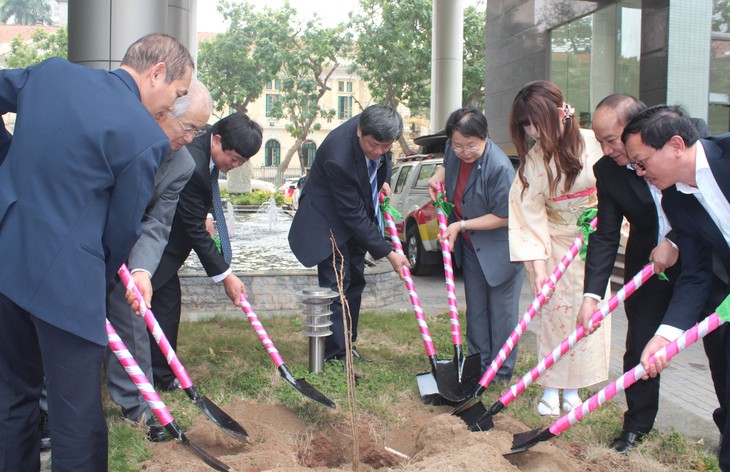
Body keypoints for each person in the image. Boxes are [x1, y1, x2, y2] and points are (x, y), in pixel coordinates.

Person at [0, 33, 194, 471]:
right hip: (68, 286)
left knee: (13, 396)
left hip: (7, 260)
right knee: (77, 418)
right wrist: (94, 280)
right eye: (177, 94)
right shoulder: (144, 136)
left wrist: (7, 159)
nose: (172, 106)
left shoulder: (51, 74)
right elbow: (119, 235)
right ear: (157, 73)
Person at [104, 79, 213, 442]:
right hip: (78, 239)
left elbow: (157, 222)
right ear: (164, 113)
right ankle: (44, 411)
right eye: (189, 128)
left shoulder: (181, 164)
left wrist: (141, 270)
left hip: (124, 248)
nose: (192, 139)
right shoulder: (120, 135)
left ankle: (140, 405)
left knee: (133, 318)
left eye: (199, 131)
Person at [621, 105, 730, 468]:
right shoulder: (676, 200)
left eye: (641, 162)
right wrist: (665, 337)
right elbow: (697, 273)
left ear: (676, 145)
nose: (639, 172)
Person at [576, 94, 682, 453]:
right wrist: (592, 295)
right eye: (600, 141)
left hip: (700, 263)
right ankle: (636, 426)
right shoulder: (607, 171)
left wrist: (675, 239)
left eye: (611, 139)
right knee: (639, 347)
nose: (606, 150)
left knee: (721, 350)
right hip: (645, 269)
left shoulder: (677, 145)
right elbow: (606, 235)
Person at [508, 80, 611, 416]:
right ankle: (551, 387)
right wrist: (538, 270)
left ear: (559, 112)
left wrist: (604, 217)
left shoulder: (595, 144)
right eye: (526, 124)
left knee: (587, 314)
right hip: (553, 243)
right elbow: (528, 215)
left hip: (593, 242)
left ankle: (574, 388)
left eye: (537, 121)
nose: (532, 131)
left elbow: (614, 189)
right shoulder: (533, 162)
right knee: (555, 316)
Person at [288, 104, 410, 371]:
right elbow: (352, 214)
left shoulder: (378, 129)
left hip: (355, 212)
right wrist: (389, 253)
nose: (379, 152)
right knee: (336, 286)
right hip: (327, 218)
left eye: (385, 146)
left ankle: (347, 344)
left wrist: (384, 179)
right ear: (359, 131)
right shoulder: (337, 156)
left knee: (354, 282)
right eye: (373, 145)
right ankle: (334, 354)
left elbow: (382, 162)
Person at [148, 113, 263, 390]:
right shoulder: (194, 164)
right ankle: (151, 376)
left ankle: (161, 375)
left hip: (166, 244)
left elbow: (200, 207)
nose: (233, 166)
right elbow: (194, 231)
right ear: (218, 140)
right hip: (153, 243)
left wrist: (208, 213)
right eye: (233, 158)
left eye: (242, 163)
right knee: (155, 306)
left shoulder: (208, 143)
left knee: (167, 303)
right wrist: (226, 275)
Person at [426, 108, 524, 378]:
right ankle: (477, 367)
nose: (465, 152)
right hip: (471, 248)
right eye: (458, 145)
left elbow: (504, 216)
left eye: (472, 146)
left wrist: (461, 225)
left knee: (501, 314)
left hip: (500, 249)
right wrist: (438, 175)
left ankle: (500, 372)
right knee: (477, 310)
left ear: (485, 137)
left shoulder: (499, 167)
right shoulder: (452, 148)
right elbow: (447, 163)